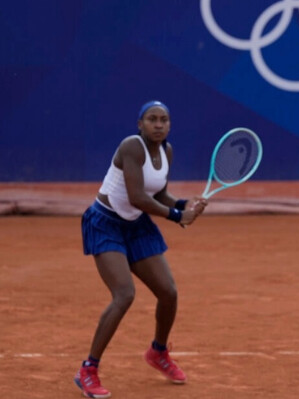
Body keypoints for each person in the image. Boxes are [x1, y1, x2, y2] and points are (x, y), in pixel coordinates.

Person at [74, 100, 208, 398]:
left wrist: (185, 204)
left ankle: (158, 352)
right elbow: (137, 196)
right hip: (106, 223)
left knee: (168, 292)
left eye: (164, 120)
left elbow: (157, 192)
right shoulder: (131, 147)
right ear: (140, 124)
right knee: (124, 294)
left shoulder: (167, 151)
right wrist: (177, 217)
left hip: (136, 227)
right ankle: (88, 370)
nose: (158, 125)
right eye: (152, 119)